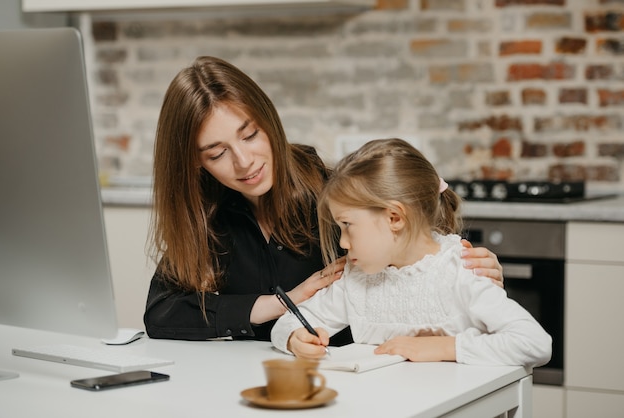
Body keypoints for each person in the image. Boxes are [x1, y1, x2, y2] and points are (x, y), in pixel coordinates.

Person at [143, 56, 505, 342]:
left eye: (250, 135)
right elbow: (161, 312)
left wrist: (468, 275)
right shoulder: (207, 216)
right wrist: (281, 303)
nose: (244, 161)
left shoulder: (338, 196)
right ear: (196, 163)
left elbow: (424, 270)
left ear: (269, 121)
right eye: (217, 153)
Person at [271, 138, 552, 368]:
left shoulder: (460, 271)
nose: (342, 242)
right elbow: (288, 322)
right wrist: (296, 338)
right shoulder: (356, 280)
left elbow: (535, 343)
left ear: (394, 218)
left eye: (347, 225)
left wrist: (442, 346)